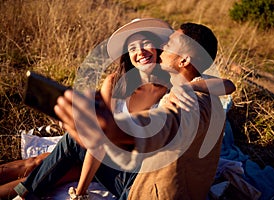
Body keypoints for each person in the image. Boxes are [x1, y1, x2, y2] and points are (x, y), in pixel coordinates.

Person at [13, 20, 228, 200]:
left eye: (168, 44)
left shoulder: (180, 95)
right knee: (43, 159)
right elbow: (224, 85)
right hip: (127, 166)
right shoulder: (179, 82)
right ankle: (23, 193)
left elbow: (165, 122)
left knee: (64, 147)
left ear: (184, 59)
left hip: (142, 184)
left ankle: (24, 195)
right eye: (132, 47)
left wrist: (112, 130)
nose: (164, 46)